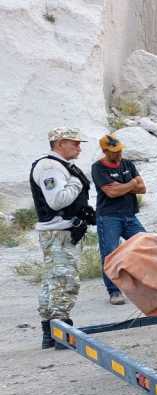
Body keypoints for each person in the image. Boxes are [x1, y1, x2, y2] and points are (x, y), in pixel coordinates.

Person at [29, 127, 94, 349]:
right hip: (59, 232)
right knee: (64, 280)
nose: (79, 147)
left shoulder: (59, 166)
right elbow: (57, 200)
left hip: (61, 231)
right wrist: (76, 183)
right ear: (59, 144)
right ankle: (60, 332)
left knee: (52, 281)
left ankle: (50, 332)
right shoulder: (50, 167)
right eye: (74, 143)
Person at [91, 134, 147, 306]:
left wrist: (122, 186)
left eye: (120, 149)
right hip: (108, 217)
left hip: (130, 215)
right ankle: (114, 291)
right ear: (104, 151)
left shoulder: (128, 163)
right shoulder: (98, 168)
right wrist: (131, 184)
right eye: (115, 151)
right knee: (110, 254)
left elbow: (143, 188)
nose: (119, 153)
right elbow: (111, 192)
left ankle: (155, 285)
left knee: (147, 246)